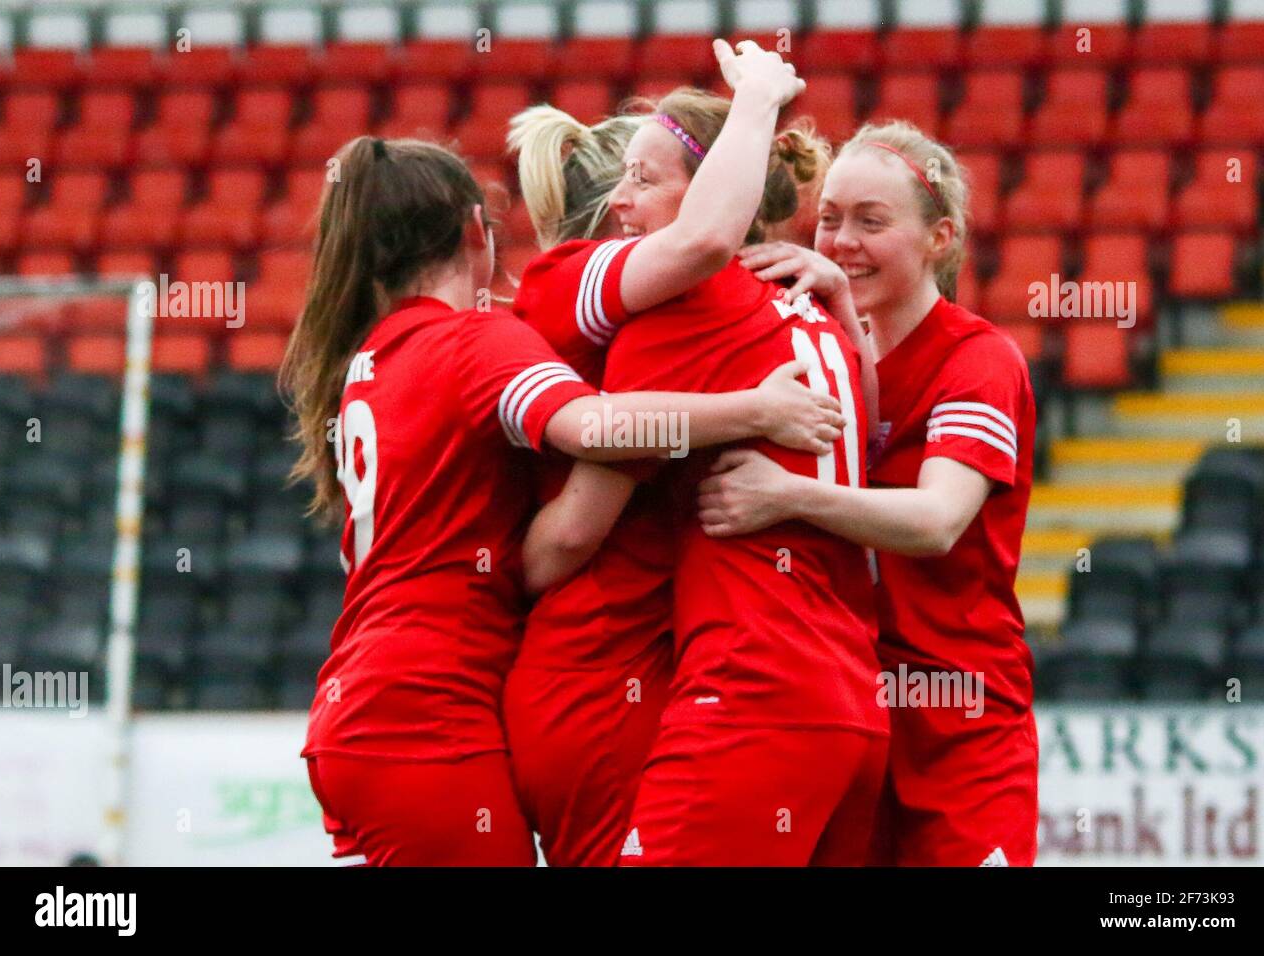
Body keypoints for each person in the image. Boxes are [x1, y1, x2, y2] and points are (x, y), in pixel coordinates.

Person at [278, 134, 847, 866]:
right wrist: (753, 412)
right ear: (475, 232)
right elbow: (598, 427)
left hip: (360, 709)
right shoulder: (472, 342)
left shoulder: (369, 358)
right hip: (427, 717)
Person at [517, 66, 888, 866]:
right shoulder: (812, 303)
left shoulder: (677, 309)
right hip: (854, 700)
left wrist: (483, 573)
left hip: (749, 693)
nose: (623, 202)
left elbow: (576, 528)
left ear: (717, 184)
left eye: (644, 181)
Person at [698, 119, 1039, 866]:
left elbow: (937, 520)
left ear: (940, 239)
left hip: (961, 724)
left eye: (871, 222)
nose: (841, 241)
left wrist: (785, 494)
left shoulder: (979, 360)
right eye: (829, 218)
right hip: (850, 717)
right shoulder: (823, 345)